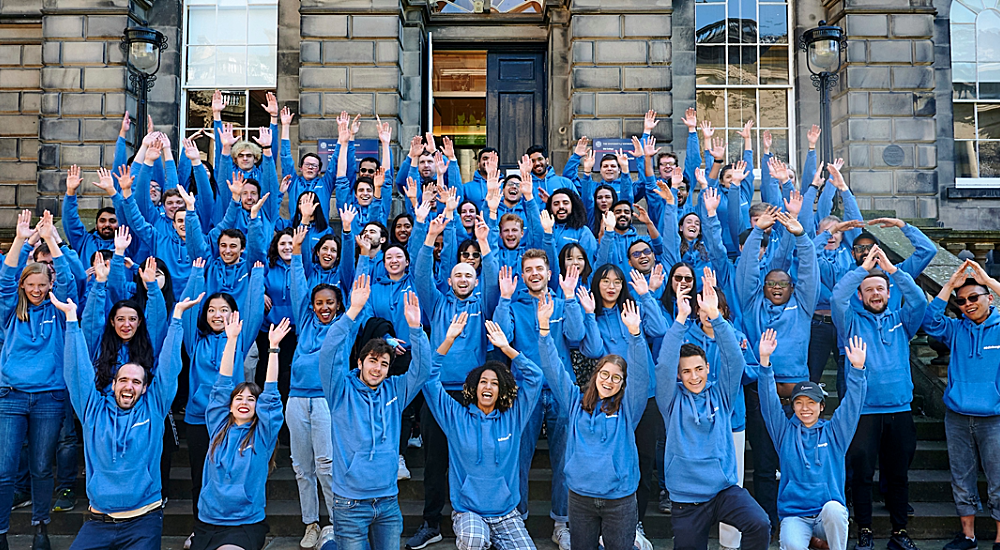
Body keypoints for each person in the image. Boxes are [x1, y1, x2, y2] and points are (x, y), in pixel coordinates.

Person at [56, 288, 200, 550]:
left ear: (145, 388)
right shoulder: (92, 410)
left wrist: (177, 317)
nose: (129, 386)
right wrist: (71, 322)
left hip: (143, 521)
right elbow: (77, 371)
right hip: (98, 521)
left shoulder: (153, 409)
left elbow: (168, 368)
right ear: (113, 384)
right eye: (123, 380)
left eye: (136, 381)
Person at [656, 282, 771, 550]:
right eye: (686, 372)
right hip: (687, 499)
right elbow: (663, 366)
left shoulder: (721, 395)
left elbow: (734, 358)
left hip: (723, 491)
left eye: (699, 369)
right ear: (679, 375)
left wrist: (716, 317)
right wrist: (682, 319)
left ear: (708, 368)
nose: (694, 376)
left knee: (759, 523)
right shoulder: (671, 400)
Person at [319, 276, 430, 550]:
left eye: (383, 363)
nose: (377, 368)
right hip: (350, 503)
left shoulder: (395, 390)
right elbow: (329, 352)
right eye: (372, 361)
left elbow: (423, 370)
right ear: (360, 362)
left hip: (388, 501)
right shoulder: (340, 389)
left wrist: (416, 329)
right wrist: (352, 312)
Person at [832, 245, 927, 550]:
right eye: (869, 290)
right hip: (862, 411)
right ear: (860, 295)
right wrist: (862, 270)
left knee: (898, 474)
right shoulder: (849, 322)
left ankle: (900, 532)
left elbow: (918, 300)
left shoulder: (902, 320)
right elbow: (836, 297)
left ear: (888, 293)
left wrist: (893, 270)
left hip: (899, 408)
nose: (875, 294)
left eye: (880, 289)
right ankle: (865, 529)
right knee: (862, 475)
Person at [423, 313, 543, 550]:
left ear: (501, 391)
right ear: (474, 387)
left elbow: (535, 377)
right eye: (483, 382)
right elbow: (429, 379)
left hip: (507, 512)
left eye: (495, 383)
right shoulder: (455, 416)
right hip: (469, 511)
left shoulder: (514, 417)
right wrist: (447, 341)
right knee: (474, 540)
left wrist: (507, 348)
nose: (488, 386)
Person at [540, 297, 648, 550]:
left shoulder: (627, 409)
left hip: (618, 499)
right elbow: (553, 368)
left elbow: (641, 373)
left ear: (623, 384)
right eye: (604, 374)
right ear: (596, 374)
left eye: (616, 378)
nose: (609, 381)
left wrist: (635, 335)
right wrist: (544, 331)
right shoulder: (575, 402)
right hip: (580, 497)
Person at [0, 210, 76, 550]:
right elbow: (4, 282)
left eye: (41, 286)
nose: (36, 291)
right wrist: (19, 239)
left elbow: (70, 284)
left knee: (43, 467)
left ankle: (41, 528)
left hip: (49, 398)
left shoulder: (57, 308)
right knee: (4, 467)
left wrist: (50, 239)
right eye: (30, 285)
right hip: (11, 396)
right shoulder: (9, 311)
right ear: (23, 286)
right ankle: (1, 530)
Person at [758, 329, 869, 550]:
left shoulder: (835, 433)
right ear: (792, 405)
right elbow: (769, 402)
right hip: (795, 515)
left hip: (825, 514)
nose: (805, 408)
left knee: (835, 510)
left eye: (811, 402)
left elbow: (851, 407)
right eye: (799, 402)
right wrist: (764, 362)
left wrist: (857, 370)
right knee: (791, 544)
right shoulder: (784, 432)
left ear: (821, 406)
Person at [189, 315, 286, 550]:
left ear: (257, 407)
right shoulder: (218, 425)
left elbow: (271, 394)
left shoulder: (263, 434)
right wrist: (231, 339)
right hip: (208, 521)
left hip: (244, 524)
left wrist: (273, 348)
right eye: (239, 398)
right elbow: (221, 384)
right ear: (230, 405)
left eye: (251, 399)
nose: (244, 402)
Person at [922, 260, 1000, 550]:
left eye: (973, 298)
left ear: (988, 298)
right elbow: (929, 321)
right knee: (961, 476)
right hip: (957, 415)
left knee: (998, 478)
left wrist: (987, 279)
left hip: (994, 417)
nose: (967, 304)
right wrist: (948, 286)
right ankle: (968, 536)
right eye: (962, 300)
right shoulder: (955, 329)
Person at [288, 226, 344, 548]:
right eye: (319, 302)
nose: (324, 307)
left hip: (324, 401)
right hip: (296, 399)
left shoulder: (342, 328)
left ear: (337, 306)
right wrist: (296, 251)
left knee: (326, 464)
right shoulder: (305, 320)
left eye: (330, 303)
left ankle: (336, 522)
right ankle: (311, 522)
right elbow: (298, 286)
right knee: (301, 467)